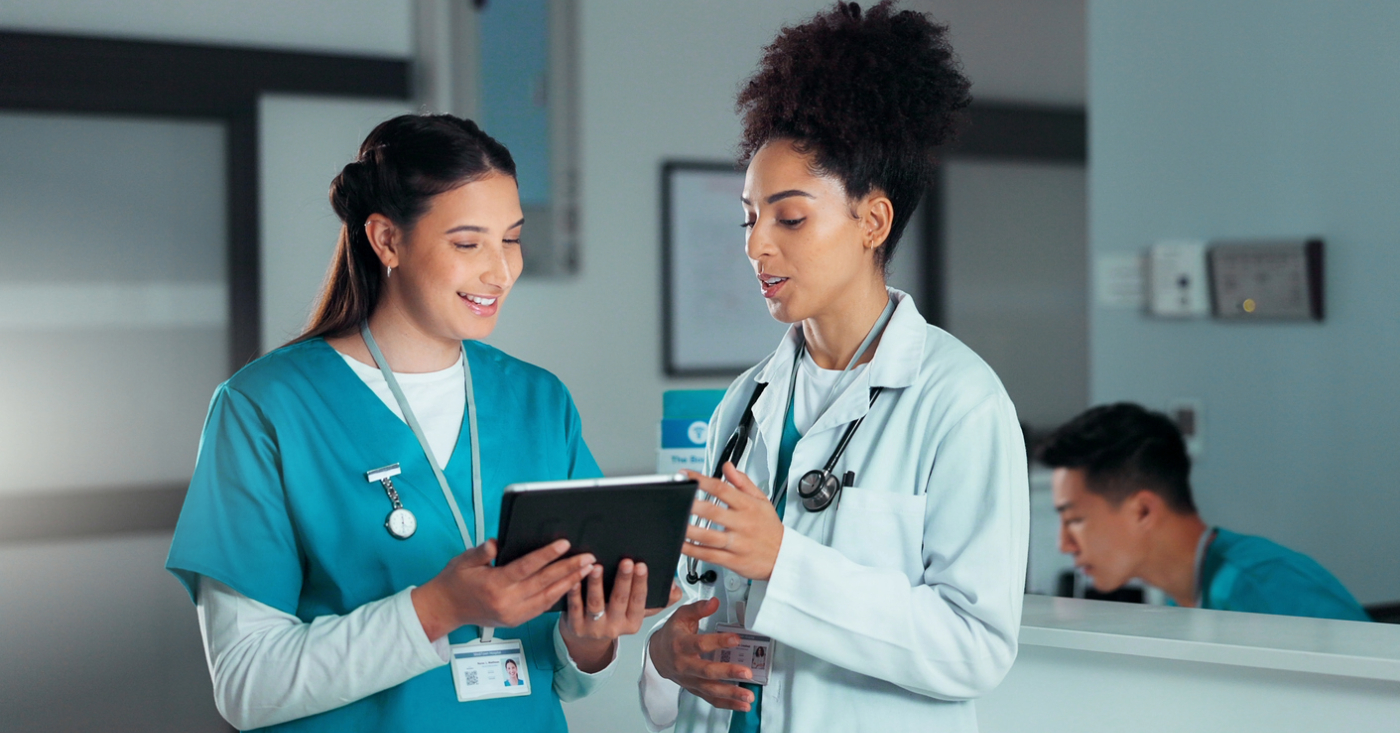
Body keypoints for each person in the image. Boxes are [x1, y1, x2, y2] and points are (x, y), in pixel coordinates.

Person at [166, 114, 673, 732]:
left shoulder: (539, 400)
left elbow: (564, 674)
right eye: (468, 244)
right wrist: (437, 608)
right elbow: (247, 684)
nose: (501, 270)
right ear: (387, 241)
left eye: (511, 238)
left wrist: (590, 636)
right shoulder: (265, 407)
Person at [640, 4, 1030, 732]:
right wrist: (667, 655)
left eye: (789, 219)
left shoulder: (959, 402)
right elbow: (706, 609)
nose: (757, 248)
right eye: (749, 218)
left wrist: (784, 559)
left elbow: (975, 648)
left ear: (872, 221)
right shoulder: (743, 404)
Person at [1038, 402, 1370, 622]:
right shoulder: (1186, 600)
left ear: (1142, 510)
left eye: (1075, 520)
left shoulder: (1263, 592)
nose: (1064, 544)